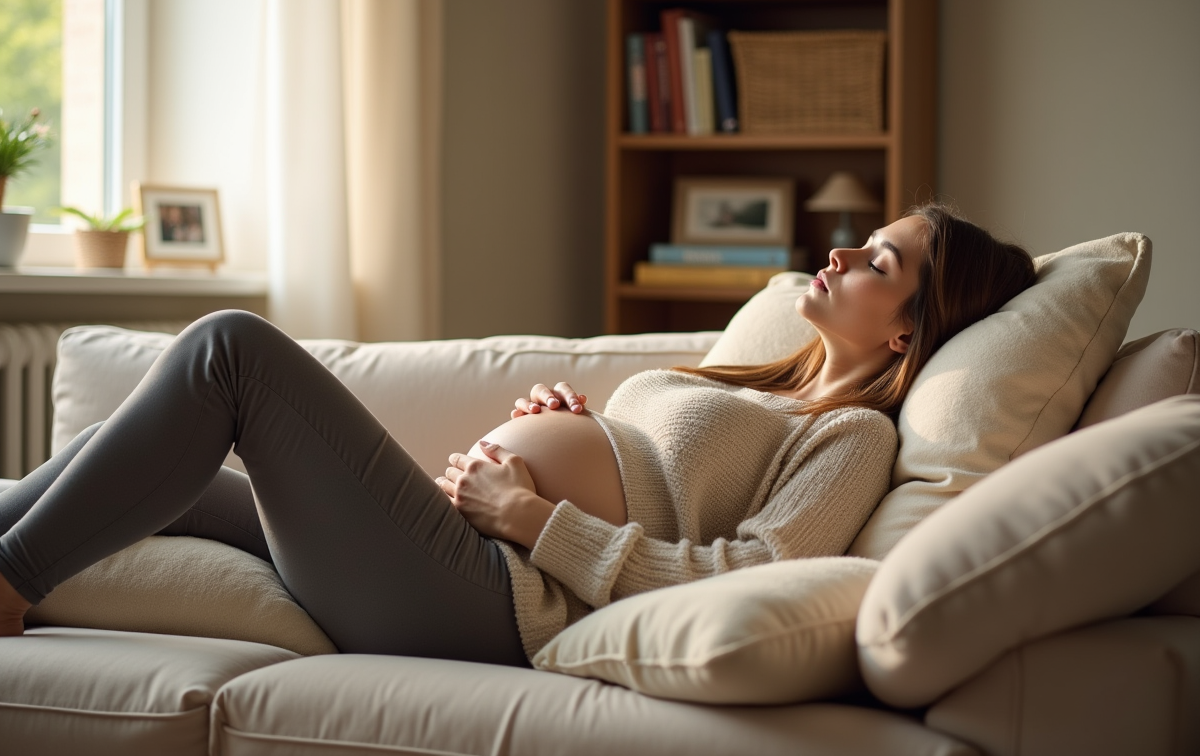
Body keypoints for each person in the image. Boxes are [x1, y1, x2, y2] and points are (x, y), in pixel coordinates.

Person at [0, 202, 1035, 667]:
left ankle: (11, 581)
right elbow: (665, 484)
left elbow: (750, 570)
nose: (845, 250)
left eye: (883, 262)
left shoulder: (851, 435)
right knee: (153, 472)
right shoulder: (767, 382)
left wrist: (541, 516)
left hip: (489, 598)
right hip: (462, 553)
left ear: (909, 329)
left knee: (230, 349)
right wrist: (587, 435)